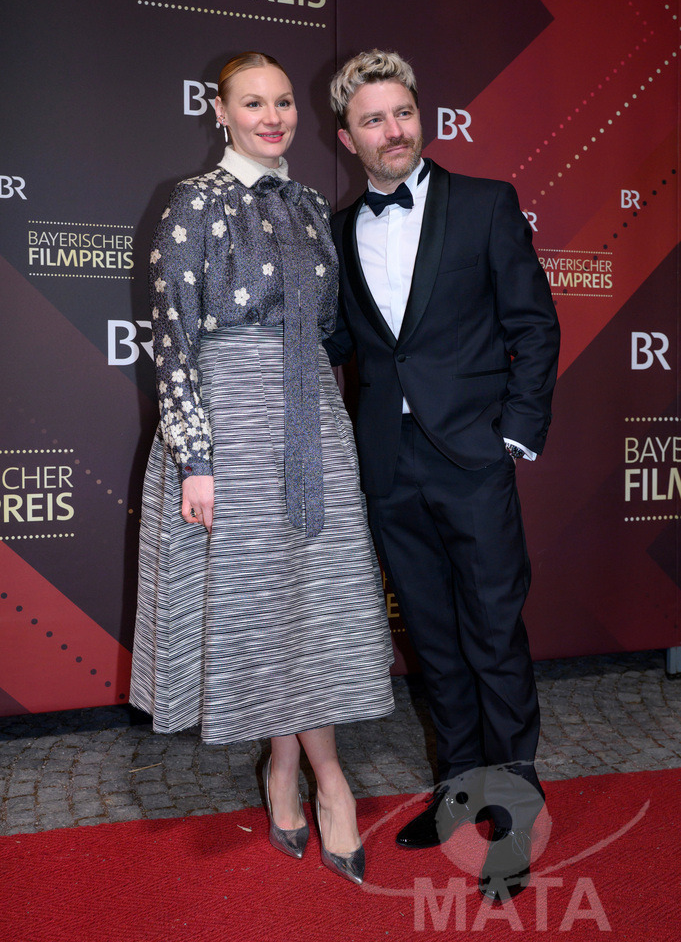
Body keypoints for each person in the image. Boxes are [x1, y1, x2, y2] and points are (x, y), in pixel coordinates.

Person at [130, 50, 394, 886]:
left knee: (312, 601)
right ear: (220, 110)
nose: (273, 117)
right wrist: (195, 461)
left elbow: (329, 329)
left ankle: (286, 766)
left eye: (283, 102)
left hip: (313, 416)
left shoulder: (314, 204)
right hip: (231, 426)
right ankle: (328, 779)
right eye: (254, 102)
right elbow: (172, 339)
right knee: (265, 605)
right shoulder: (191, 205)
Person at [325, 49, 560, 901]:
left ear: (419, 116)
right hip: (388, 470)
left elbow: (534, 325)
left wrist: (515, 437)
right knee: (433, 644)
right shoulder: (340, 231)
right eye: (373, 120)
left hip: (472, 460)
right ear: (346, 136)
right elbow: (345, 346)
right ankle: (460, 797)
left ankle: (514, 822)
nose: (394, 132)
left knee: (494, 638)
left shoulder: (486, 205)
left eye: (403, 114)